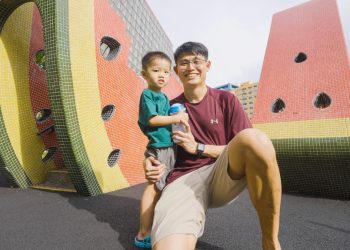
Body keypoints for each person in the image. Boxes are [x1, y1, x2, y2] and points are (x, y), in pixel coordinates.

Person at [144, 42, 282, 250]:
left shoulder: (227, 100)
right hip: (183, 178)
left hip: (223, 172)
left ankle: (270, 241)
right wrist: (149, 161)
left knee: (256, 140)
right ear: (176, 71)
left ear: (208, 65)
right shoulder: (167, 107)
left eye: (197, 61)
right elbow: (157, 143)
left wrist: (198, 147)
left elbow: (242, 146)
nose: (191, 67)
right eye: (184, 63)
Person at [135, 51, 188, 249]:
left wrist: (176, 114)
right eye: (156, 70)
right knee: (153, 187)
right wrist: (176, 118)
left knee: (163, 187)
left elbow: (168, 119)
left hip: (169, 146)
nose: (162, 75)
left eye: (166, 72)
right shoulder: (148, 94)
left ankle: (156, 226)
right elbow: (152, 119)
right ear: (144, 73)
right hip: (159, 148)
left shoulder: (164, 97)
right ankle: (143, 233)